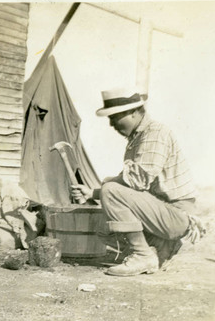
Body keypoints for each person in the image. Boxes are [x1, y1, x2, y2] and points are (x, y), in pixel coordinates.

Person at [72, 87, 205, 277]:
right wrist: (92, 193)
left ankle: (142, 254)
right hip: (161, 212)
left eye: (115, 117)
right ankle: (157, 249)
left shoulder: (155, 133)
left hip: (176, 214)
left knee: (110, 191)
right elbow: (131, 185)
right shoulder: (139, 136)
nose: (111, 124)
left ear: (134, 112)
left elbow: (137, 180)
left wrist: (104, 188)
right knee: (103, 228)